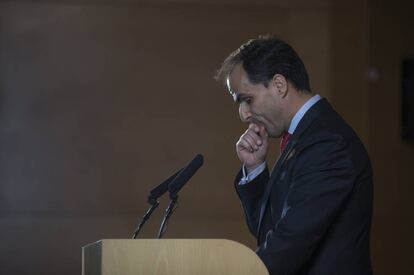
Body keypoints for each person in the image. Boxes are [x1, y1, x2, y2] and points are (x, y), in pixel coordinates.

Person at [215, 36, 373, 275]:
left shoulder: (327, 142)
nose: (243, 114)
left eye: (247, 100)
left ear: (279, 85)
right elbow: (271, 231)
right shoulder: (305, 136)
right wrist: (256, 167)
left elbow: (290, 244)